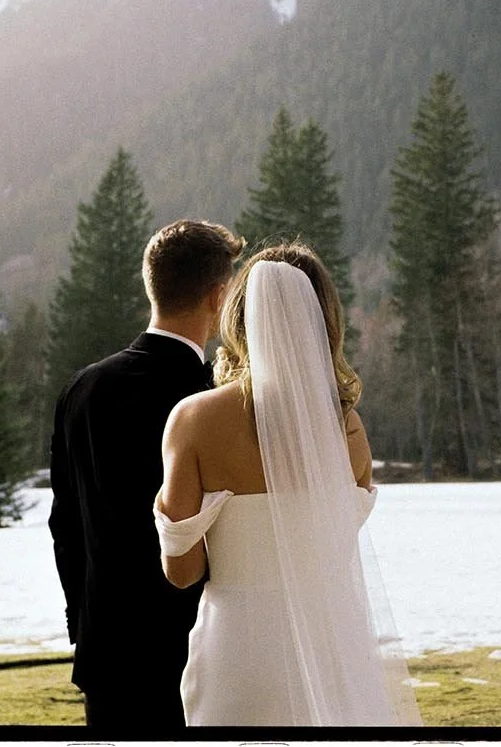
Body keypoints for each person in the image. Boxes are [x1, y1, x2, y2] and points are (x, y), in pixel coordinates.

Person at [154, 243, 423, 726]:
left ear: (241, 319)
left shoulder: (193, 420)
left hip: (238, 656)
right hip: (333, 650)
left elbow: (182, 572)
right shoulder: (348, 430)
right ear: (325, 322)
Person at [48, 219, 244, 731]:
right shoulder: (216, 402)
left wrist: (84, 628)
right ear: (219, 296)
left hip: (107, 656)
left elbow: (65, 527)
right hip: (197, 652)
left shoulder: (82, 390)